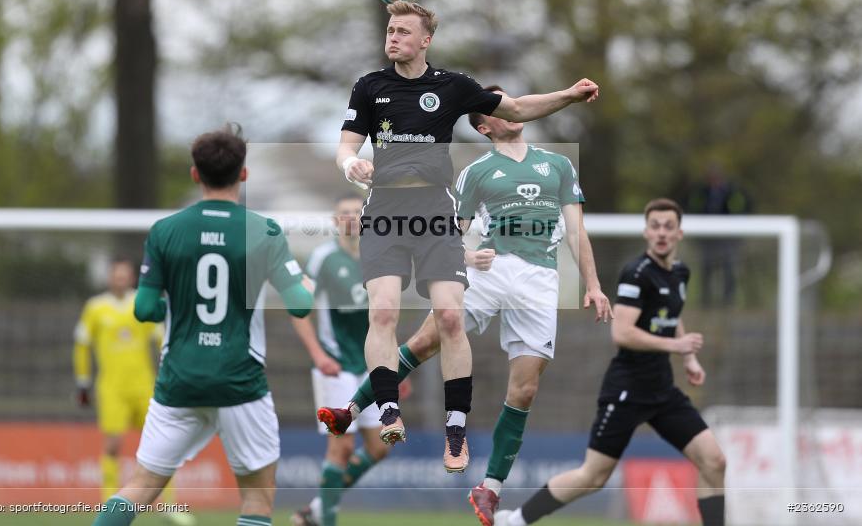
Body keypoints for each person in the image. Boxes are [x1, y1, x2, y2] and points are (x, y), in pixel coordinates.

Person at [321, 86, 611, 526]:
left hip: (538, 282)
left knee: (526, 390)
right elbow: (448, 233)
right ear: (483, 123)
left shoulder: (558, 165)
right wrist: (465, 256)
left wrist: (593, 284)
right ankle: (352, 410)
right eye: (500, 107)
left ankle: (490, 490)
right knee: (423, 341)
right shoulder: (476, 173)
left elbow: (576, 233)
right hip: (488, 273)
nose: (512, 110)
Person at [337, 0, 600, 472]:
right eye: (390, 30)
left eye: (402, 31)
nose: (393, 37)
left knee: (451, 321)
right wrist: (350, 164)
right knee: (384, 311)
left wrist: (569, 95)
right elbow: (346, 146)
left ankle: (455, 430)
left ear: (425, 40)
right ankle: (387, 409)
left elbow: (518, 106)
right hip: (387, 214)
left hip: (435, 213)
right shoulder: (369, 86)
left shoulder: (453, 86)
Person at [91, 125, 315, 526]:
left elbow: (143, 309)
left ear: (196, 175)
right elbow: (299, 306)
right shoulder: (263, 231)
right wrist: (305, 287)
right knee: (257, 500)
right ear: (243, 174)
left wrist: (174, 309)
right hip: (239, 381)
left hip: (180, 378)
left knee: (140, 487)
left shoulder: (165, 230)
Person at [494, 199, 727, 526]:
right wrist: (676, 346)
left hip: (663, 391)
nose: (661, 233)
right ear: (647, 232)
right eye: (655, 226)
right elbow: (622, 333)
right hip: (627, 391)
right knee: (593, 476)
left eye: (668, 227)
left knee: (714, 460)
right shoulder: (637, 273)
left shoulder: (680, 273)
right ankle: (515, 520)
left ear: (679, 234)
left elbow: (671, 316)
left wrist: (689, 359)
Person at [289, 193, 397, 526]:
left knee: (380, 447)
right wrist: (318, 355)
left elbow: (386, 317)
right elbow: (298, 309)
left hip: (369, 366)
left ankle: (317, 510)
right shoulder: (323, 257)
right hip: (336, 366)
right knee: (342, 449)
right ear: (335, 221)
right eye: (344, 213)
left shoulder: (377, 258)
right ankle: (327, 518)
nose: (351, 217)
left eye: (356, 212)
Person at [73, 259, 193, 526]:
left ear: (131, 278)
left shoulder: (142, 303)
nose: (121, 280)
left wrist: (173, 370)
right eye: (116, 275)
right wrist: (83, 381)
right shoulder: (95, 307)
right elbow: (82, 344)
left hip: (144, 386)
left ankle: (168, 506)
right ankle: (109, 503)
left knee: (163, 445)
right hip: (112, 388)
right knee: (113, 446)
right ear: (109, 278)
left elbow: (161, 338)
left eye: (125, 276)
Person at [684, 163, 752, 307]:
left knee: (728, 269)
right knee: (706, 269)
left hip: (727, 238)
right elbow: (692, 207)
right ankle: (706, 302)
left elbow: (744, 208)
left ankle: (727, 302)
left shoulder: (732, 192)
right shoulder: (701, 192)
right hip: (708, 239)